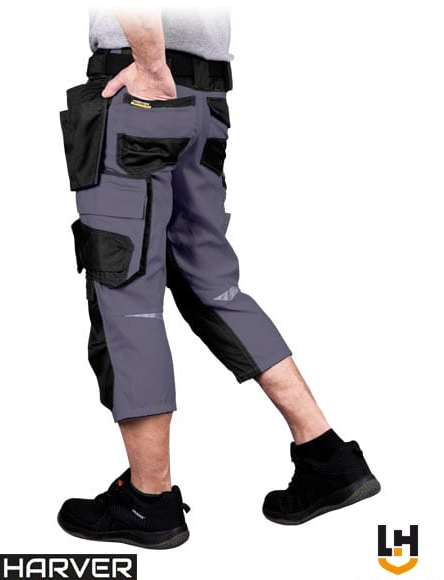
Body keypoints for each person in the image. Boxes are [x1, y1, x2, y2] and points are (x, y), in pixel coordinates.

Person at [57, 7, 380, 550]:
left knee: (126, 293)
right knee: (211, 284)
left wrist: (150, 64)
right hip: (206, 98)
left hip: (141, 89)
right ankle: (326, 456)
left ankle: (148, 500)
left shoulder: (147, 70)